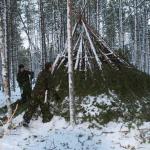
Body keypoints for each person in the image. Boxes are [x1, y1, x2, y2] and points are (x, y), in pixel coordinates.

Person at [23, 62, 54, 127]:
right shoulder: (48, 74)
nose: (52, 67)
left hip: (34, 92)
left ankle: (26, 120)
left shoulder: (41, 73)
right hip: (41, 93)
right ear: (49, 67)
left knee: (32, 107)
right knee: (44, 106)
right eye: (51, 66)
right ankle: (46, 120)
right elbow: (50, 86)